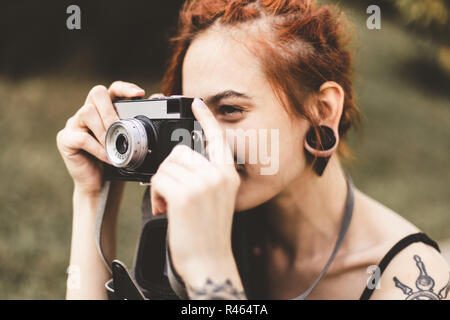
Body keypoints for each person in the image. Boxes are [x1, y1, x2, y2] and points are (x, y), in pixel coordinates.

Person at [57, 0, 449, 300]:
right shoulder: (214, 214)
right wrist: (91, 194)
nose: (205, 142)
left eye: (230, 110)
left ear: (323, 112)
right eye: (190, 115)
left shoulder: (410, 279)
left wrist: (209, 267)